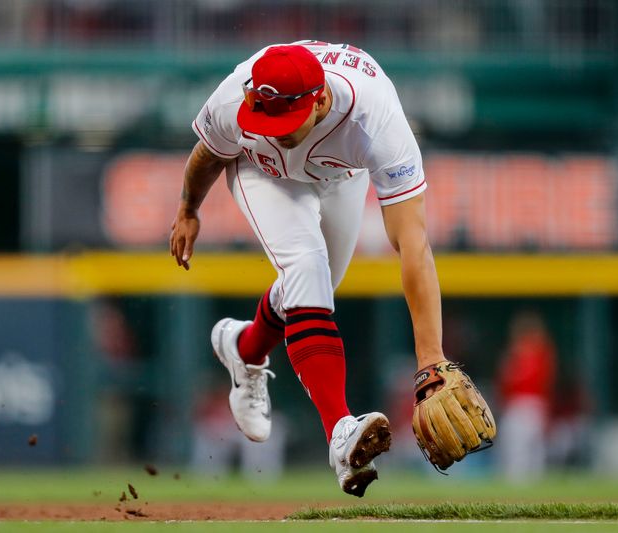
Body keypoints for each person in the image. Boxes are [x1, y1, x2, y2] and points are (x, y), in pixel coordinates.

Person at [170, 40, 451, 496]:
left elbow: (412, 242)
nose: (275, 129)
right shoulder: (235, 95)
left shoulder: (374, 119)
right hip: (259, 172)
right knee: (307, 267)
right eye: (266, 117)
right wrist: (188, 210)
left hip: (340, 174)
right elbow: (208, 153)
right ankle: (340, 432)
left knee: (312, 290)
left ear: (320, 100)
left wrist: (430, 358)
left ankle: (245, 346)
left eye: (286, 120)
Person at [495, 311, 557, 481]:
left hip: (528, 404)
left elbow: (513, 381)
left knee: (525, 450)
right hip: (521, 405)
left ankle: (524, 486)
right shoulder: (521, 354)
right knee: (518, 449)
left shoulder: (538, 354)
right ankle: (519, 484)